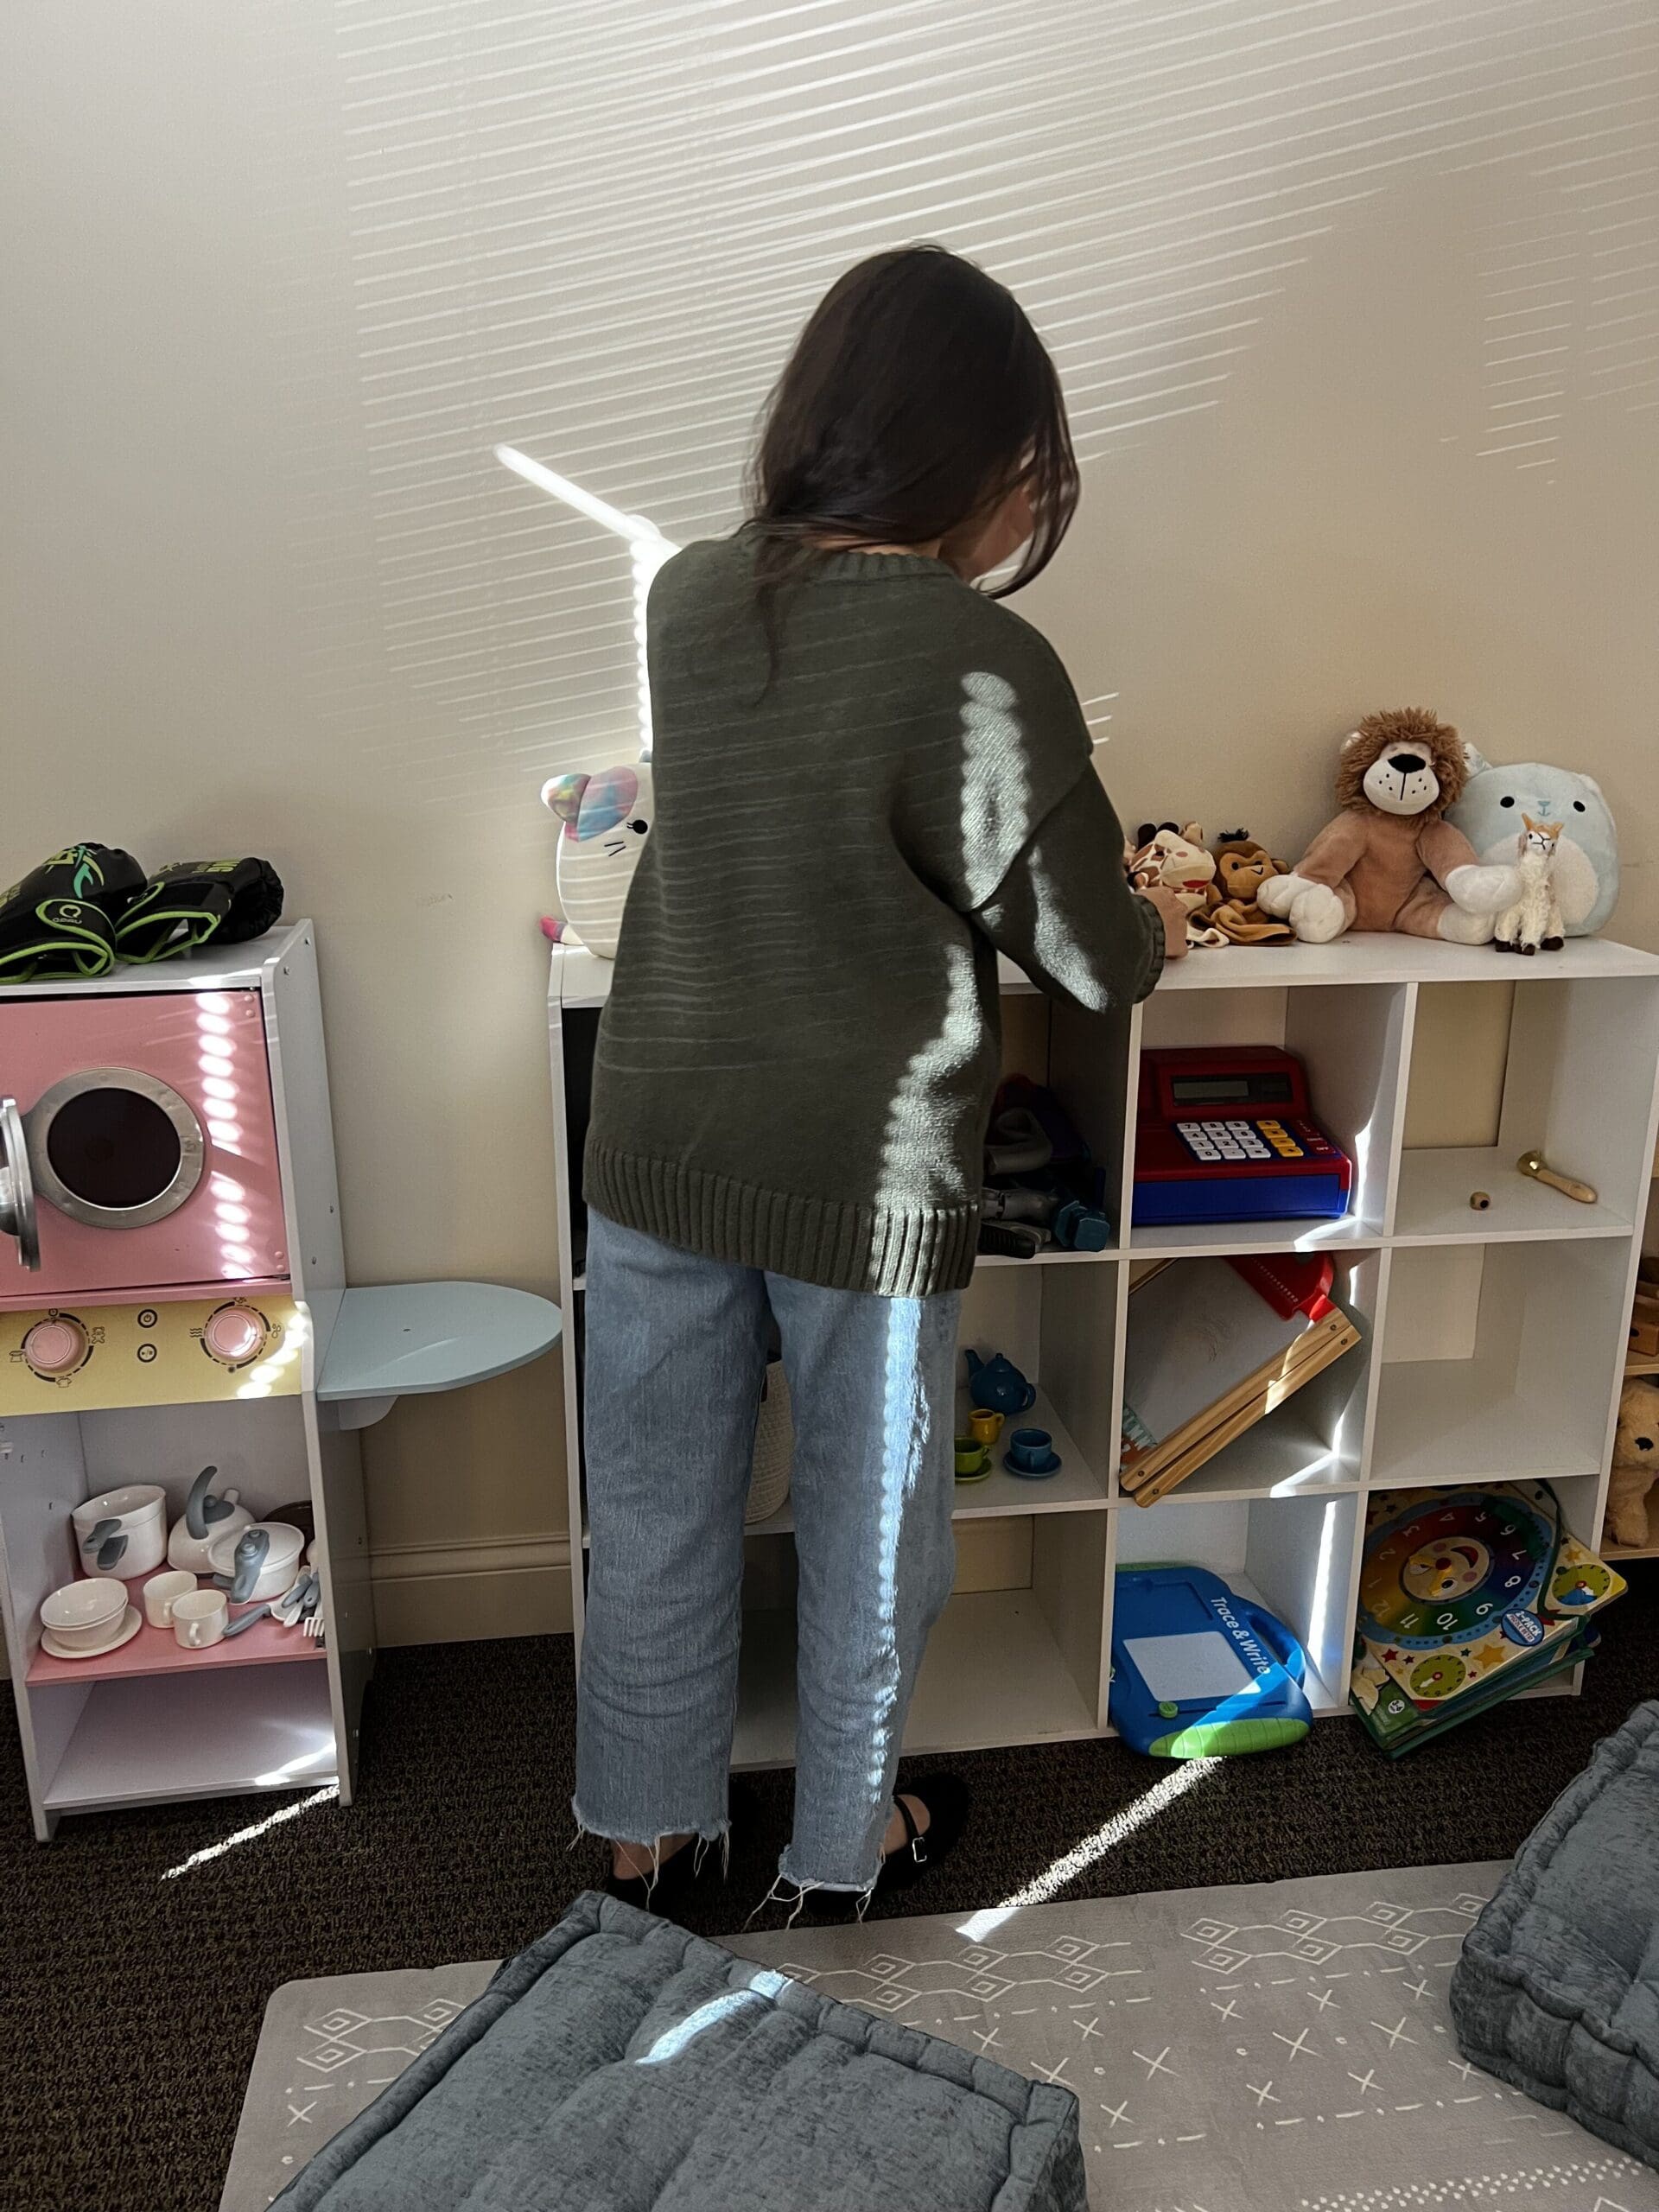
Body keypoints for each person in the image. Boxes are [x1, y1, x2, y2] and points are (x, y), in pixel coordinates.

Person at [574, 243, 1187, 1919]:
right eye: (1030, 471)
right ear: (976, 460)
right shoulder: (981, 662)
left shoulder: (690, 595)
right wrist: (1158, 910)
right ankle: (844, 1850)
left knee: (651, 1500)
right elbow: (1088, 952)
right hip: (864, 1169)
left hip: (657, 1137)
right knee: (868, 1522)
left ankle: (648, 1837)